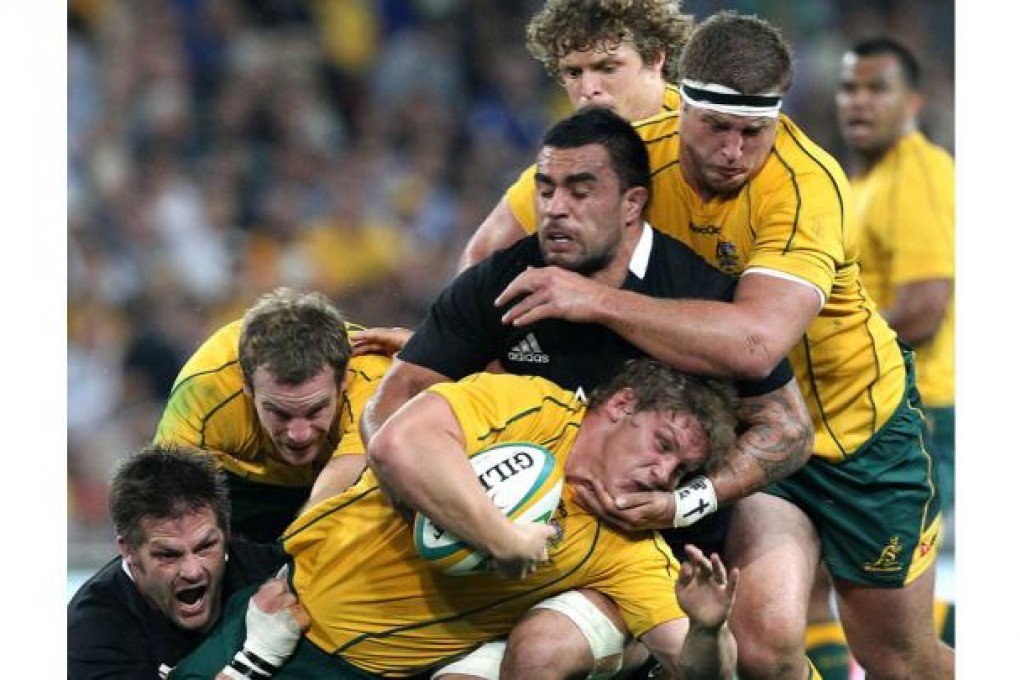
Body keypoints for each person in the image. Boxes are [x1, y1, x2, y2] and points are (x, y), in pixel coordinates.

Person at [462, 11, 952, 680]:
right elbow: (487, 259)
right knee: (762, 645)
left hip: (856, 433)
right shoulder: (632, 155)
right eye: (716, 127)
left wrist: (598, 301)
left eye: (753, 132)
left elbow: (755, 343)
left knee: (898, 661)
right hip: (752, 429)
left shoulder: (807, 186)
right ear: (680, 102)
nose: (733, 151)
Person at [362, 105, 814, 678]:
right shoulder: (500, 283)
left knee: (545, 654)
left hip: (646, 555)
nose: (555, 209)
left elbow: (789, 430)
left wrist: (683, 502)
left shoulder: (698, 291)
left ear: (632, 205)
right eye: (546, 190)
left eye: (581, 190)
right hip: (520, 541)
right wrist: (453, 510)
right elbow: (392, 407)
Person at [167, 359, 741, 679]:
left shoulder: (627, 547)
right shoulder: (531, 407)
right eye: (663, 444)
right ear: (621, 407)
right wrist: (503, 538)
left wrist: (710, 630)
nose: (665, 473)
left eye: (681, 470)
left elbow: (703, 674)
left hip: (356, 670)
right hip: (277, 598)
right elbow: (398, 445)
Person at [797, 36, 956, 676]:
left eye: (877, 88)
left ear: (912, 100)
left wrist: (821, 344)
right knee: (805, 588)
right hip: (853, 414)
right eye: (849, 87)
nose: (859, 101)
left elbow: (923, 308)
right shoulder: (858, 181)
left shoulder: (918, 173)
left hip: (916, 414)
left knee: (897, 633)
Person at [459, 0, 694, 270]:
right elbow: (478, 258)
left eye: (607, 68)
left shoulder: (708, 137)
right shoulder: (570, 161)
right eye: (574, 73)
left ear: (654, 57)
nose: (588, 89)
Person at [155, 287, 391, 543]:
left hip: (340, 482)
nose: (298, 435)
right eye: (279, 413)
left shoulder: (374, 375)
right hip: (239, 490)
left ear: (343, 378)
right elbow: (167, 498)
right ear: (246, 384)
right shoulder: (207, 388)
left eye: (315, 410)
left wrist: (283, 569)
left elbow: (340, 484)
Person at [67, 443, 308, 679]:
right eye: (168, 555)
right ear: (128, 551)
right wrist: (253, 663)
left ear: (225, 533)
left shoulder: (267, 570)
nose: (192, 571)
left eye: (206, 546)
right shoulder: (90, 633)